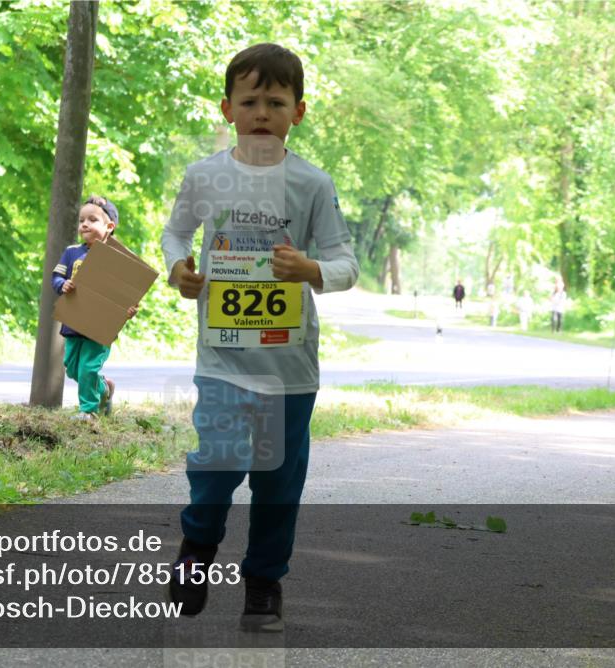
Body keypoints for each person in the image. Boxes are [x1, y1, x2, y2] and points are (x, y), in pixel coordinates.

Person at [161, 43, 359, 632]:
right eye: (250, 101)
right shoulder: (204, 176)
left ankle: (264, 584)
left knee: (277, 482)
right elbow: (174, 237)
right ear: (228, 109)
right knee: (215, 471)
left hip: (289, 370)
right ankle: (197, 551)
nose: (262, 112)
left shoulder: (312, 184)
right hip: (222, 362)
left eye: (277, 101)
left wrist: (312, 270)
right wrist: (180, 270)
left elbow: (345, 261)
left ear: (299, 111)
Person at [52, 196, 137, 420]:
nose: (84, 225)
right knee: (72, 368)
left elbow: (126, 294)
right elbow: (57, 276)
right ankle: (104, 389)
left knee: (88, 368)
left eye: (92, 219)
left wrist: (127, 311)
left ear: (109, 226)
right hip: (74, 321)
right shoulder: (72, 252)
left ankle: (88, 411)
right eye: (81, 220)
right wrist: (63, 285)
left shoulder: (117, 259)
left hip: (100, 326)